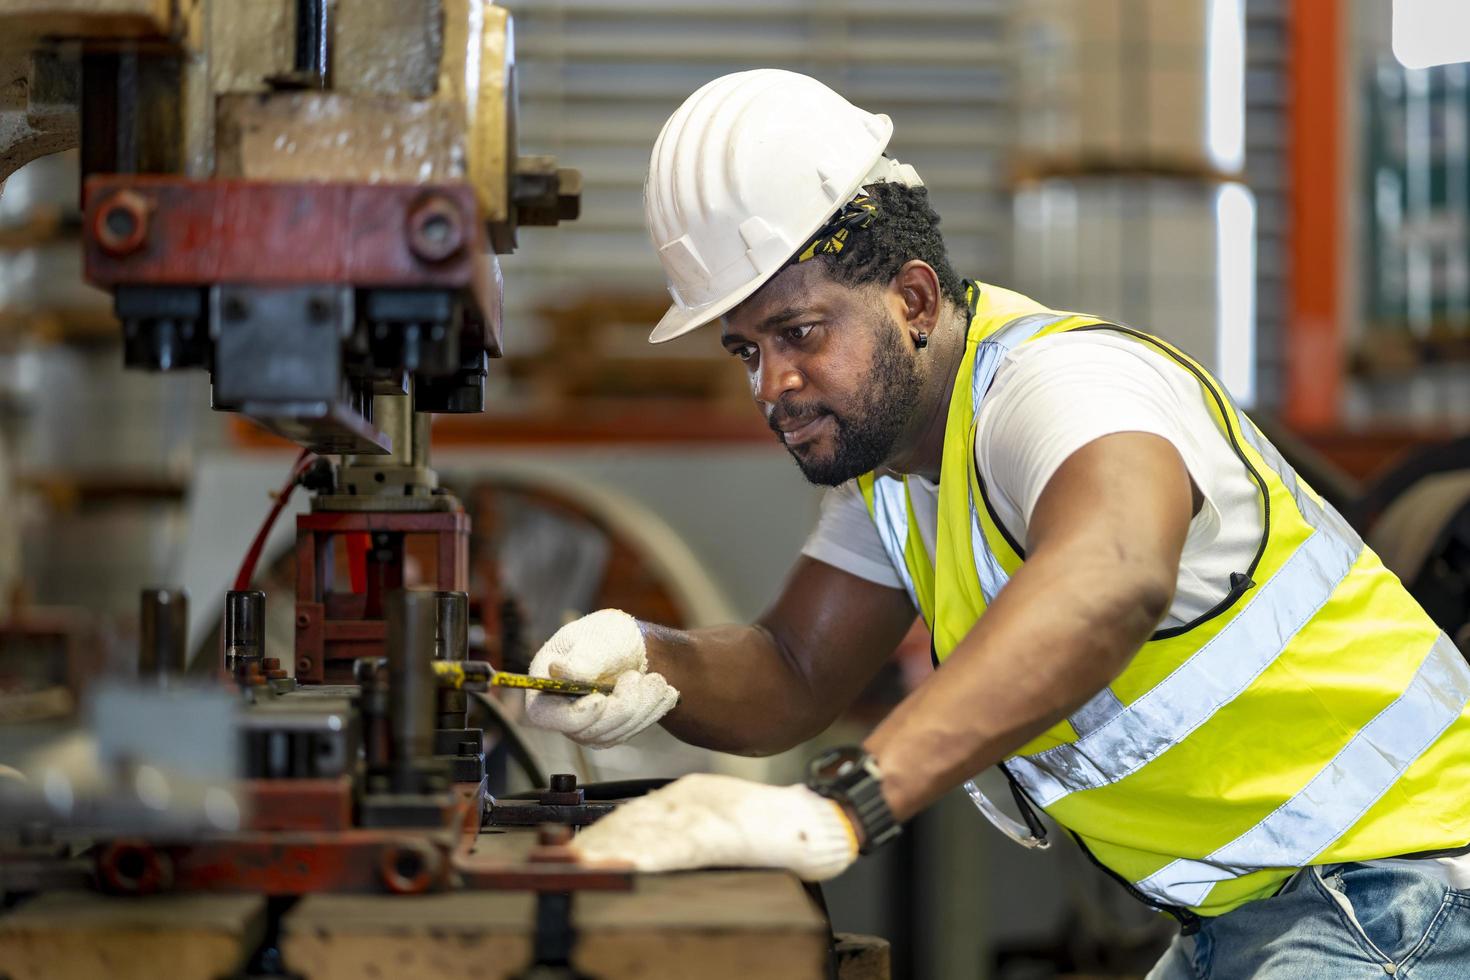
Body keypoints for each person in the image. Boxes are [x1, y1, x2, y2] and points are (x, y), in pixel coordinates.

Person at [521, 69, 1470, 977]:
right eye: (746, 350)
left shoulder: (1058, 387)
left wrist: (845, 805)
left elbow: (1113, 570)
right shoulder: (892, 472)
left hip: (1401, 886)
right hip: (1261, 913)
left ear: (914, 299)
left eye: (800, 333)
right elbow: (795, 671)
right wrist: (648, 657)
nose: (772, 385)